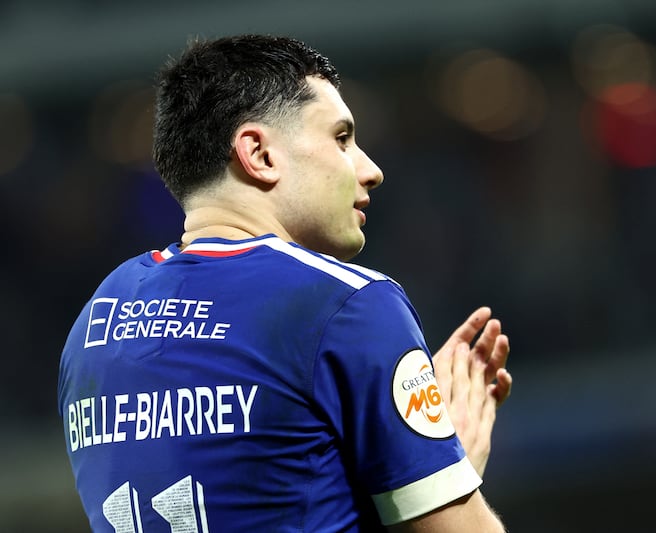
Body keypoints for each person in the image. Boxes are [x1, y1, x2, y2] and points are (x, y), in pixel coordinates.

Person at [58, 34, 512, 532]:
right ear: (259, 153)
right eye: (342, 139)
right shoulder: (347, 304)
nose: (371, 170)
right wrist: (443, 476)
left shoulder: (96, 322)